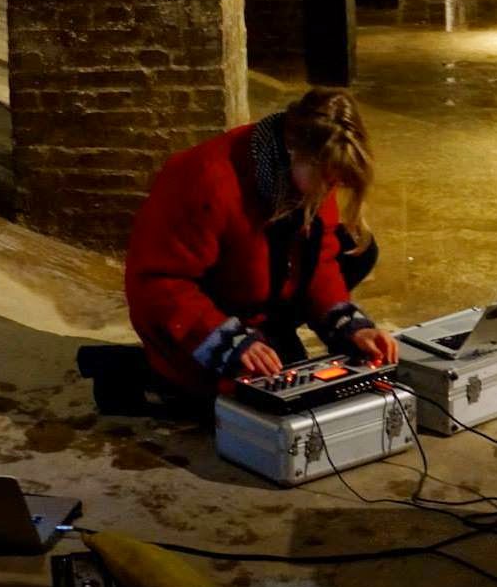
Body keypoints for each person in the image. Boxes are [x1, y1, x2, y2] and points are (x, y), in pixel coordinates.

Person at [125, 87, 398, 400]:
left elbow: (316, 260)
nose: (331, 188)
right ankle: (151, 374)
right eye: (327, 179)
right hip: (194, 313)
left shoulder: (310, 165)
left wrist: (348, 326)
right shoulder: (206, 180)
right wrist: (226, 341)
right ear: (294, 152)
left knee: (357, 247)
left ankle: (268, 335)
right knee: (243, 403)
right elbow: (158, 284)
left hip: (254, 294)